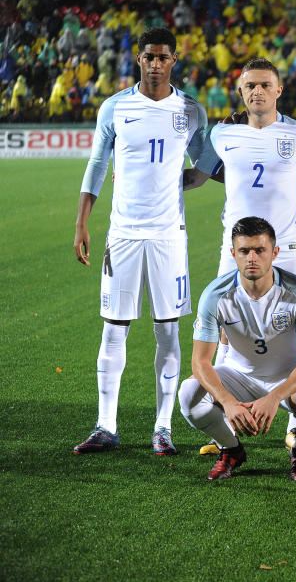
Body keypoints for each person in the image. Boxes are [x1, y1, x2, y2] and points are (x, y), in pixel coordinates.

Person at [184, 56, 296, 454]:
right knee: (230, 330)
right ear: (241, 91)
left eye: (265, 85)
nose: (258, 92)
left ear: (279, 90)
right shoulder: (221, 135)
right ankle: (235, 414)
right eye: (250, 86)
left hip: (287, 248)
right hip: (237, 248)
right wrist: (157, 178)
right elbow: (199, 175)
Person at [73, 27, 207, 456]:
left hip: (169, 235)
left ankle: (162, 428)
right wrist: (82, 223)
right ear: (139, 59)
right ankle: (105, 425)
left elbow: (204, 162)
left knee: (168, 333)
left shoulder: (190, 110)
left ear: (174, 60)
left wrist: (179, 180)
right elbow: (97, 164)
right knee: (114, 329)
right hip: (123, 234)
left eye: (162, 57)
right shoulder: (115, 108)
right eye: (148, 56)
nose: (154, 63)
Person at [178, 217, 296, 481]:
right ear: (233, 254)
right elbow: (200, 362)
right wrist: (227, 401)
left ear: (274, 252)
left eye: (259, 250)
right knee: (189, 393)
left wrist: (274, 397)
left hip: (286, 379)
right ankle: (231, 449)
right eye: (244, 251)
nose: (251, 258)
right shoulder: (215, 295)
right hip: (238, 376)